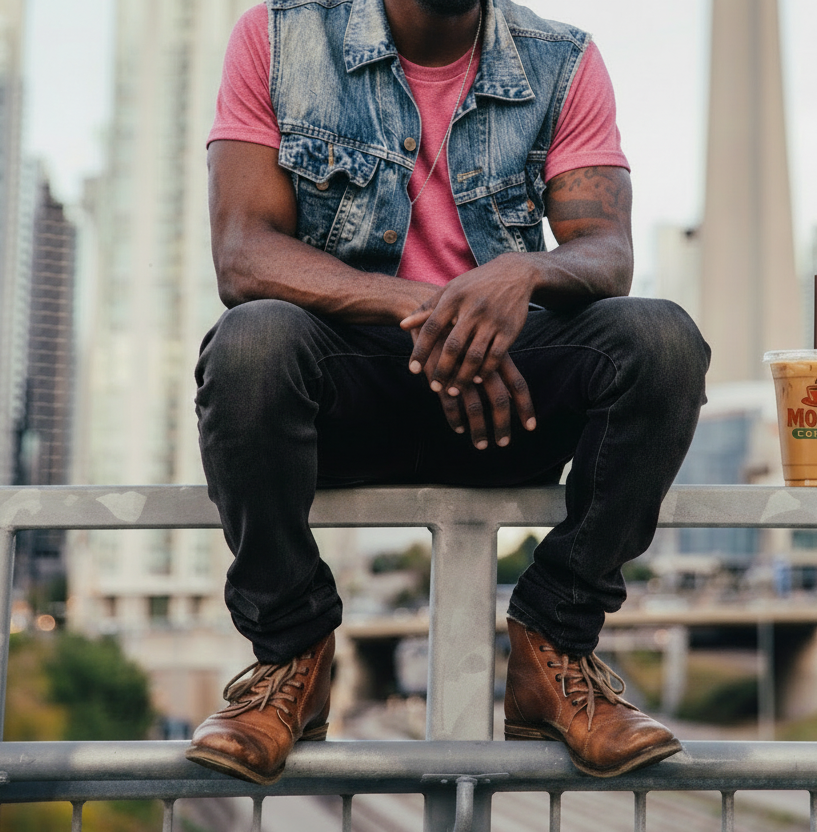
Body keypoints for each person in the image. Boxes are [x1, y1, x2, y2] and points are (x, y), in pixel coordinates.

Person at [186, 0, 710, 786]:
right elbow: (245, 254)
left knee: (661, 340)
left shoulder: (561, 60)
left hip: (504, 407)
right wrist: (433, 312)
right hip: (352, 394)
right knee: (253, 343)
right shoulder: (281, 37)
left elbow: (606, 251)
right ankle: (291, 656)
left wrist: (520, 273)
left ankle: (553, 648)